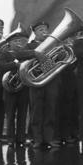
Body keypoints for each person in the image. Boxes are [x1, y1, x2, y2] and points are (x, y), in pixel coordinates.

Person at [23, 21, 61, 149]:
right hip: (36, 80)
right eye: (40, 30)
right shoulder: (30, 46)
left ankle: (49, 138)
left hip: (51, 81)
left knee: (51, 109)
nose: (44, 32)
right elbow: (19, 55)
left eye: (45, 29)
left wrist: (60, 47)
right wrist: (35, 53)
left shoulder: (53, 44)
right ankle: (36, 139)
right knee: (36, 111)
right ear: (35, 32)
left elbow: (61, 58)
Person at [0, 31, 30, 147]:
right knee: (10, 115)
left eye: (20, 41)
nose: (18, 43)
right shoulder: (4, 54)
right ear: (9, 43)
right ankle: (10, 139)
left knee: (22, 115)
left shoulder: (24, 53)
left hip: (23, 88)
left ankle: (21, 139)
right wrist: (15, 64)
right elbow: (1, 68)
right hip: (9, 88)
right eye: (15, 41)